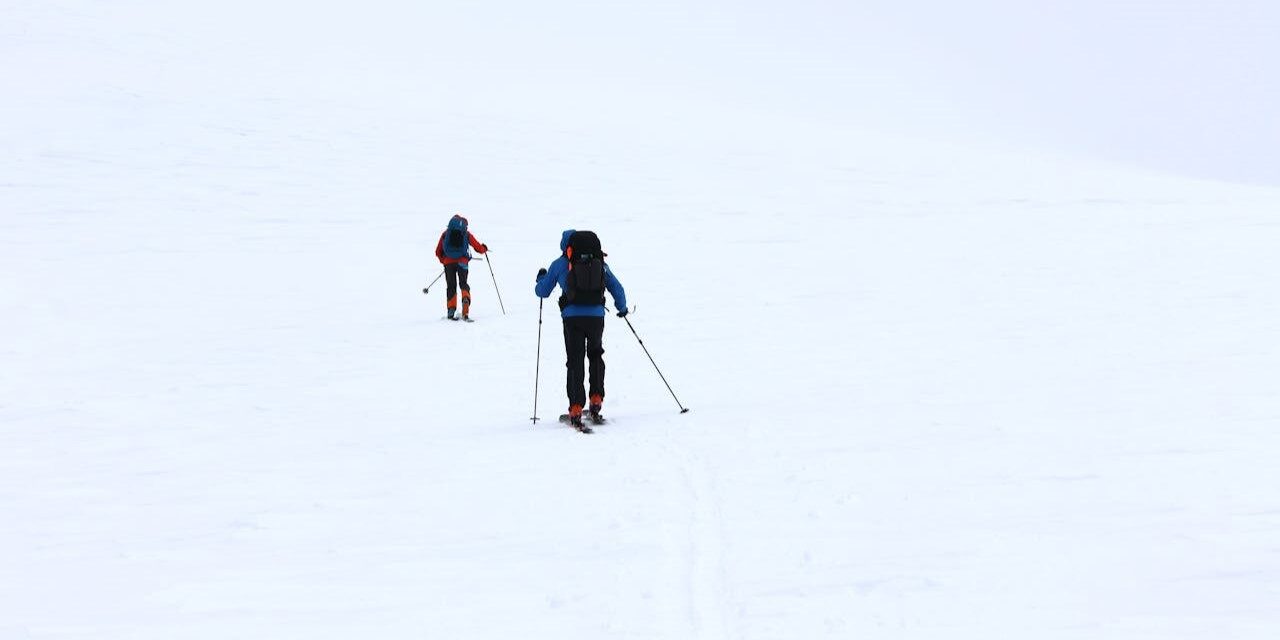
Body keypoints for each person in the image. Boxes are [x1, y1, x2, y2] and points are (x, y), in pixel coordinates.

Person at [535, 229, 627, 430]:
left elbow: (542, 291)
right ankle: (596, 398)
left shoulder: (560, 264)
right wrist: (622, 307)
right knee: (595, 355)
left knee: (575, 360)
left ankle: (576, 407)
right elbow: (616, 287)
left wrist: (541, 278)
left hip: (572, 318)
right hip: (596, 317)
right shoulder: (599, 263)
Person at [434, 214, 488, 320]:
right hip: (462, 262)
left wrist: (444, 261)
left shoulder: (445, 234)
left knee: (451, 286)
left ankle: (451, 310)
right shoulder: (465, 233)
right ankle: (465, 301)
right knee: (463, 283)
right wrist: (484, 248)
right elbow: (478, 247)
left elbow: (438, 251)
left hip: (448, 263)